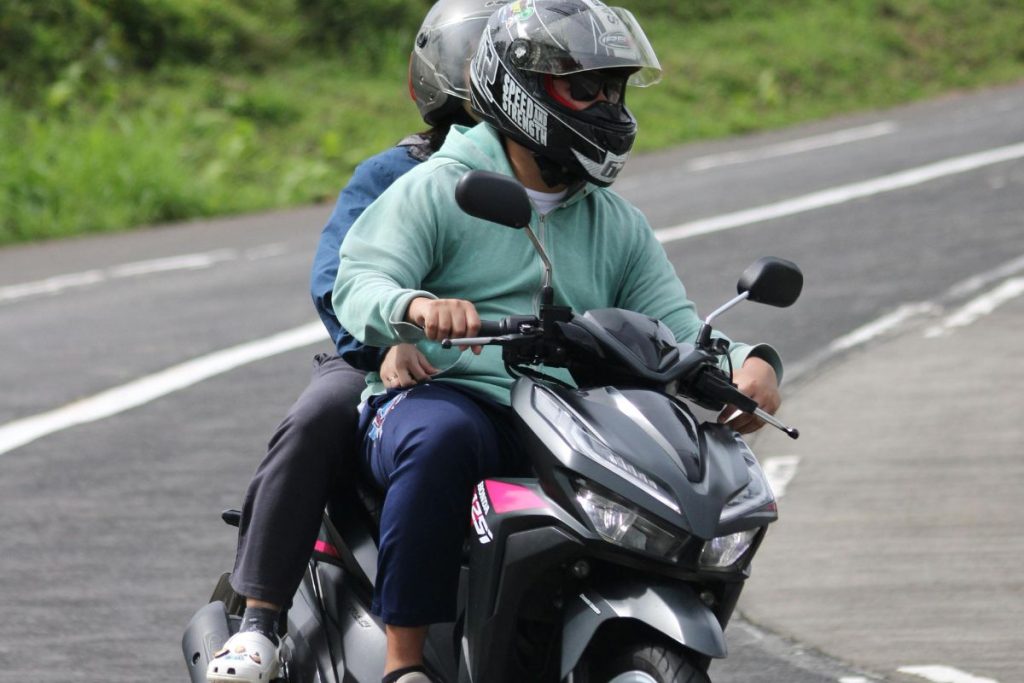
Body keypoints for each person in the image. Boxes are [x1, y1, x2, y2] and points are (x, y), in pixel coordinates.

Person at [333, 2, 785, 682]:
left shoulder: (616, 223)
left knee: (675, 466)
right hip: (447, 395)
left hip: (563, 416)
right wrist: (415, 307)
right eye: (586, 88)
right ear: (521, 88)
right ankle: (405, 661)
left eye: (614, 89)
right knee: (442, 440)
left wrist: (748, 362)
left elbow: (674, 326)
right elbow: (360, 280)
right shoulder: (438, 188)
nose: (608, 106)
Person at [205, 2, 510, 682]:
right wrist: (382, 346)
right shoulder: (392, 171)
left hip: (501, 369)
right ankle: (259, 618)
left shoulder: (547, 179)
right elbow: (335, 276)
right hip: (380, 358)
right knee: (320, 415)